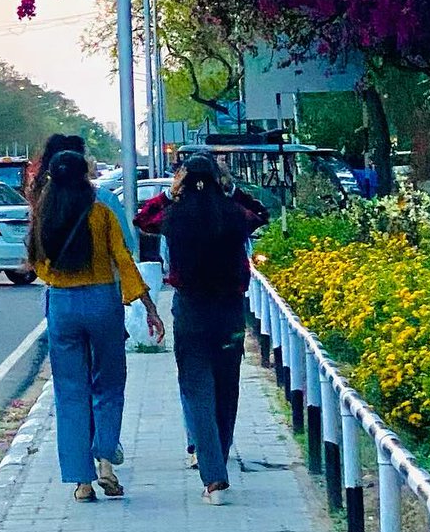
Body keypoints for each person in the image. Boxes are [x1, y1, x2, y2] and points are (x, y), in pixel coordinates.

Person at [29, 150, 165, 502]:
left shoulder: (44, 214)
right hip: (102, 302)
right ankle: (106, 460)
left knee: (70, 391)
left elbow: (36, 263)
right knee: (108, 383)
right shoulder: (101, 212)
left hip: (62, 304)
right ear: (84, 177)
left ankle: (81, 482)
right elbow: (123, 258)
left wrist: (57, 280)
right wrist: (148, 306)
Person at [134, 156, 269, 506]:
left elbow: (142, 219)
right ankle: (218, 459)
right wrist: (232, 190)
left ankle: (213, 477)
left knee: (196, 390)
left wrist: (169, 194)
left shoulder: (173, 216)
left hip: (190, 309)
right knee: (226, 388)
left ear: (184, 180)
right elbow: (261, 212)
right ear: (216, 178)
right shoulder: (234, 214)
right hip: (229, 311)